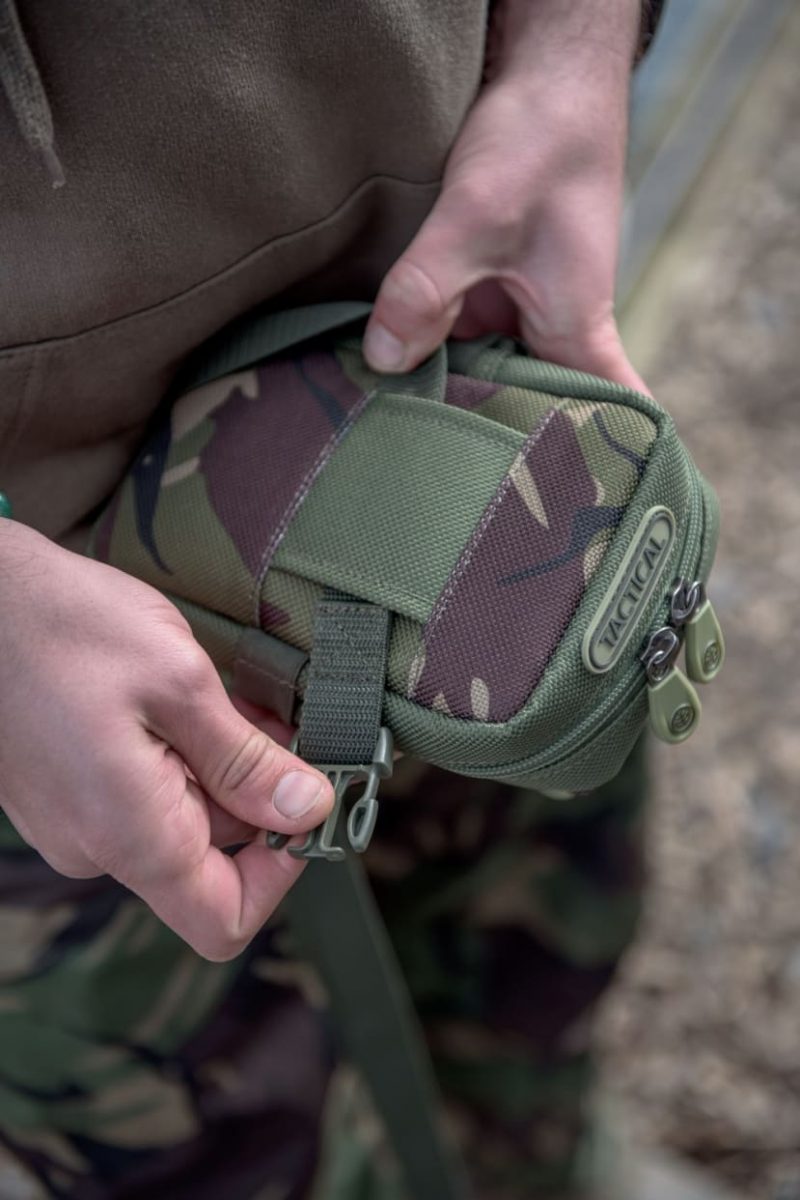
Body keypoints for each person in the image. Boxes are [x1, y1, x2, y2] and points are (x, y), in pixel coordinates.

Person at [0, 2, 666, 1196]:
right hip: (40, 680)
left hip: (440, 392)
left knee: (527, 975)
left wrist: (568, 53)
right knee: (230, 1152)